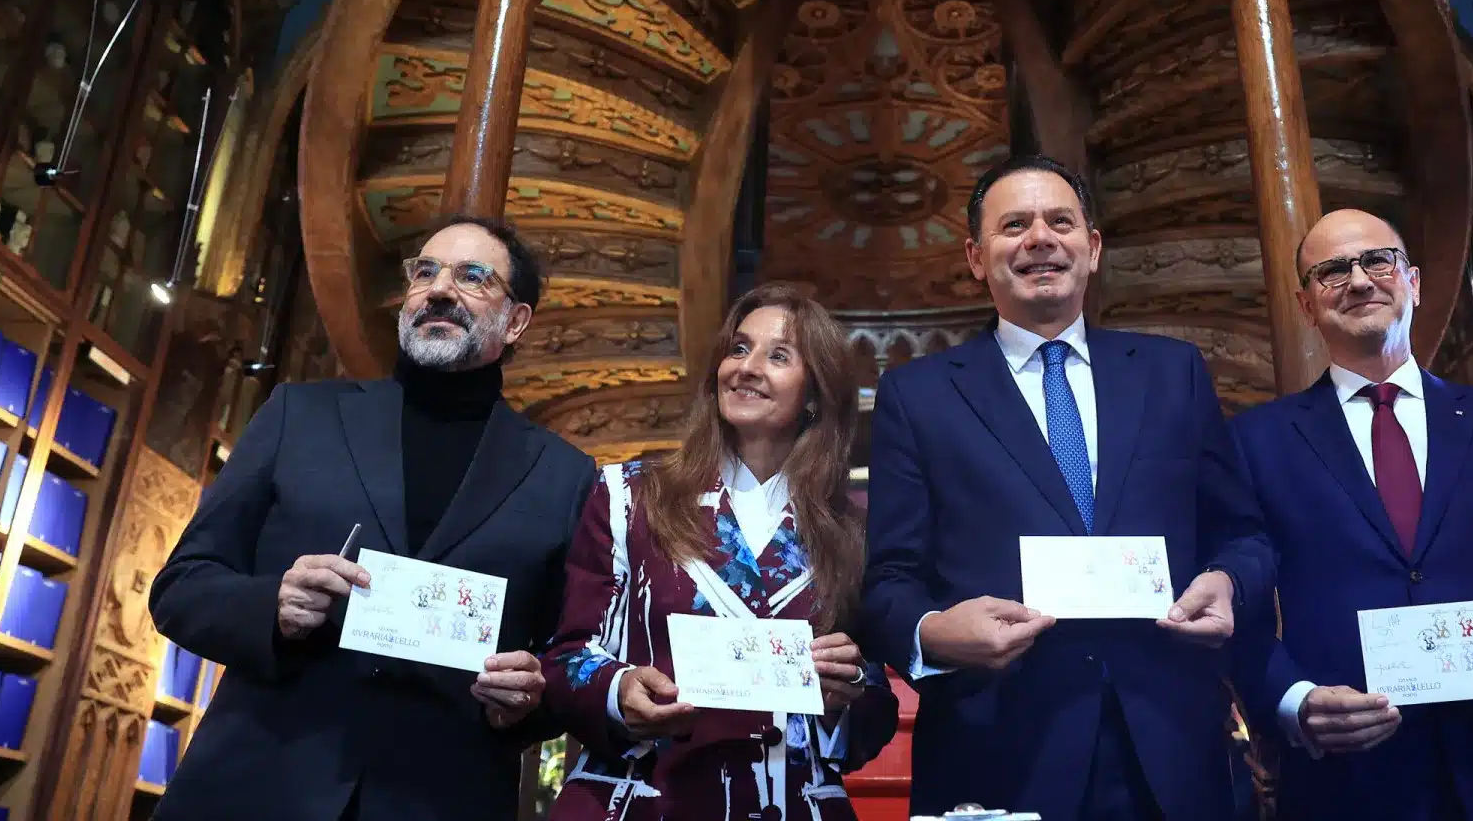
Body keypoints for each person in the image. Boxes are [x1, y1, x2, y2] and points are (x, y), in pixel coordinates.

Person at [860, 154, 1274, 820]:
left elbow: (1243, 534)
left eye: (1060, 221)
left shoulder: (1173, 373)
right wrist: (935, 631)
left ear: (1093, 246)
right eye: (1014, 225)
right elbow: (887, 579)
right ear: (975, 256)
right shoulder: (919, 395)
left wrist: (1228, 581)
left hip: (1172, 746)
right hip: (999, 749)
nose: (1040, 239)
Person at [149, 216, 597, 821]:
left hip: (439, 798)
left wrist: (525, 700)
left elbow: (567, 659)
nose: (440, 289)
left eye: (472, 276)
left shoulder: (565, 476)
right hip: (256, 786)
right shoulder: (299, 416)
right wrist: (272, 606)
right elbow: (182, 586)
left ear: (515, 321)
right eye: (426, 272)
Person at [1229, 209, 1473, 821]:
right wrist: (1294, 702)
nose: (1359, 280)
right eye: (1332, 271)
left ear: (1413, 282)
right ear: (1306, 305)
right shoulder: (1256, 443)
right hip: (1351, 786)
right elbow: (1241, 616)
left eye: (1377, 261)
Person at [543, 283, 899, 820]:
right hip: (647, 798)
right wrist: (620, 690)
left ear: (814, 396)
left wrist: (846, 694)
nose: (747, 367)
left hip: (790, 802)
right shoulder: (631, 496)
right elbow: (567, 656)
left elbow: (873, 706)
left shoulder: (853, 530)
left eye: (778, 356)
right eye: (738, 349)